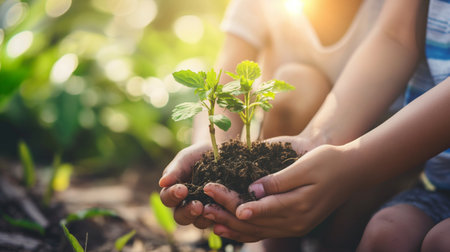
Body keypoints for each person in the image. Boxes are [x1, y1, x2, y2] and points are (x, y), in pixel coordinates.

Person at [163, 0, 450, 251]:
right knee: (297, 84)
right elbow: (224, 80)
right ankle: (273, 239)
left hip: (379, 160)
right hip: (330, 145)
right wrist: (214, 153)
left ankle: (337, 240)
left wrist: (348, 159)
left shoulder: (387, 8)